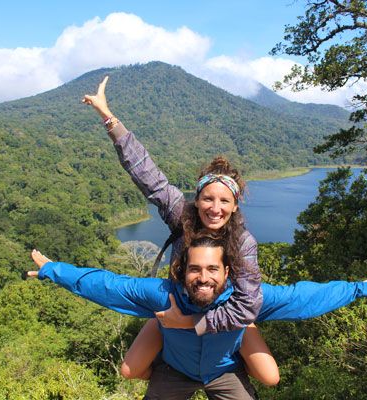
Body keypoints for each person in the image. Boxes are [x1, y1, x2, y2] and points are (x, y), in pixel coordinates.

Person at [28, 234, 367, 400]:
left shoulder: (247, 299)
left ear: (227, 271)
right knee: (133, 365)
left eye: (213, 269)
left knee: (270, 378)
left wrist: (356, 289)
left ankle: (243, 331)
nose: (204, 277)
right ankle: (163, 329)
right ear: (182, 270)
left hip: (223, 371)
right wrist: (54, 271)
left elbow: (302, 297)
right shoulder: (164, 294)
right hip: (176, 370)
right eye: (195, 269)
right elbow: (108, 286)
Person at [81, 75, 272, 382]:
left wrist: (193, 324)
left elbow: (248, 304)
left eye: (224, 201)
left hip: (218, 318)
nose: (215, 208)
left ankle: (229, 362)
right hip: (176, 306)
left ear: (235, 206)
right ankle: (171, 367)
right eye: (207, 199)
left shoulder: (243, 242)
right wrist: (108, 118)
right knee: (132, 370)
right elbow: (148, 175)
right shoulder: (183, 215)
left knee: (269, 376)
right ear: (196, 200)